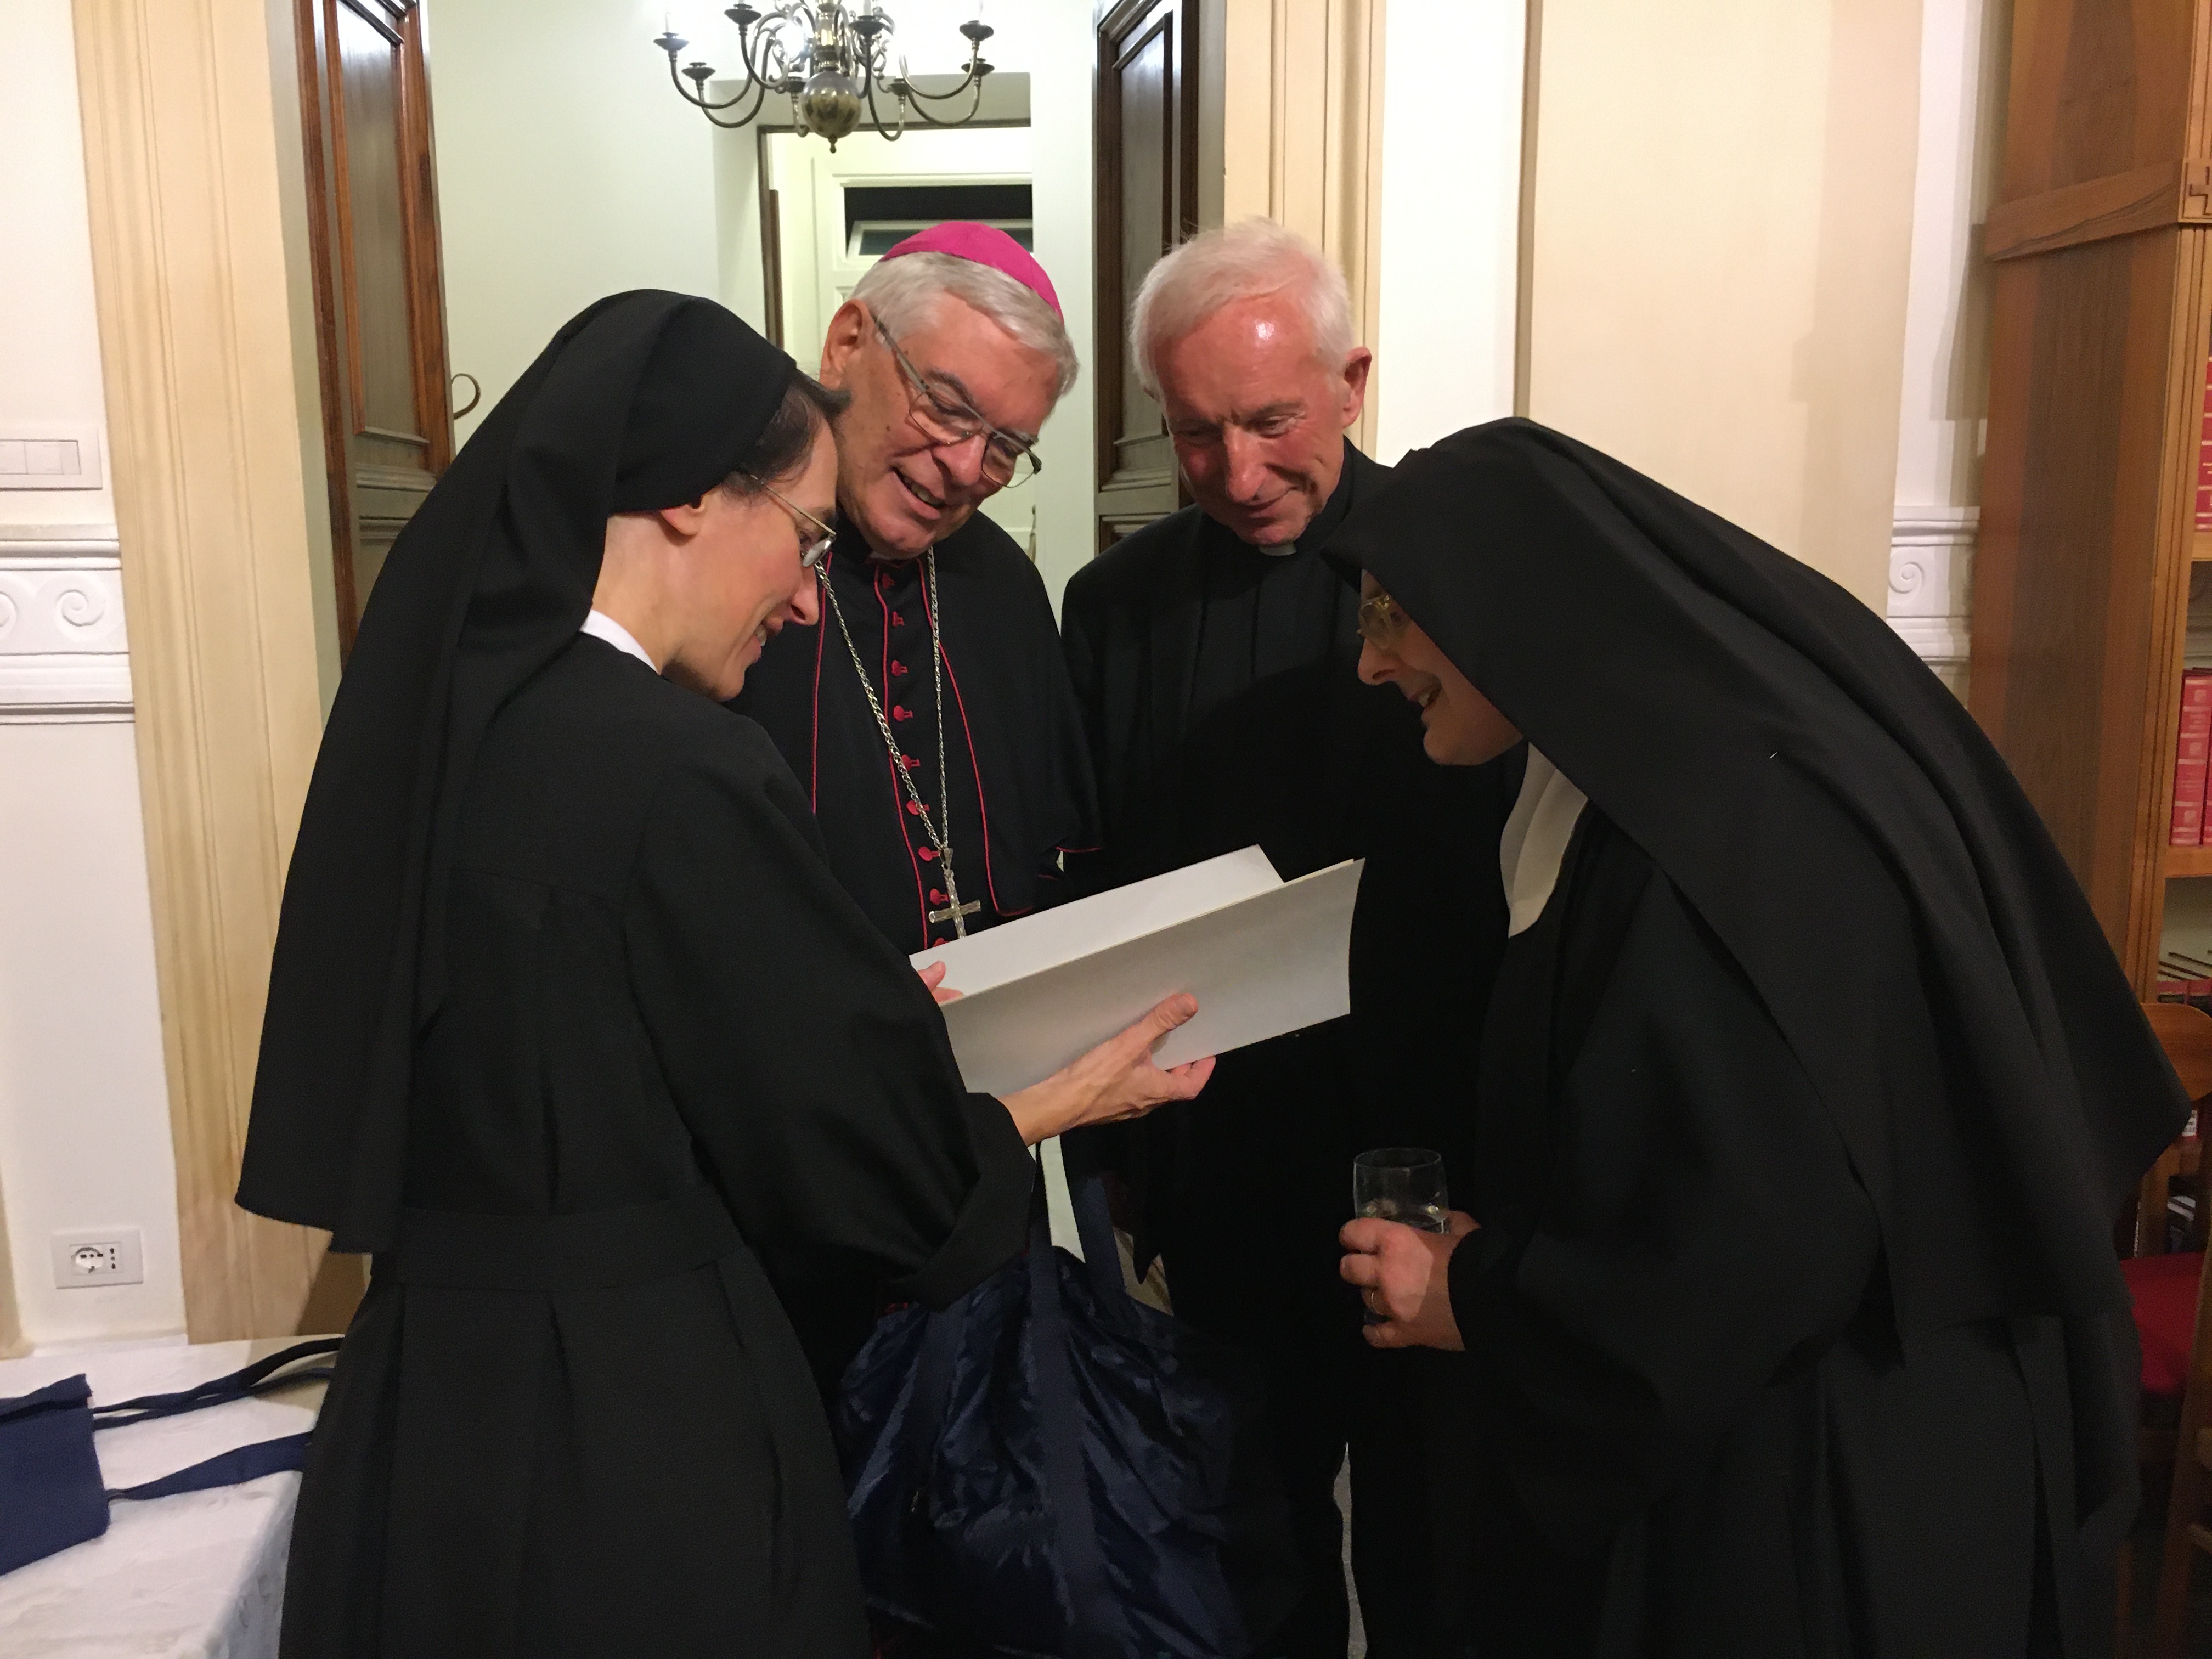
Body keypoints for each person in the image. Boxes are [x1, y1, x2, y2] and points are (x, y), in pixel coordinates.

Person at [235, 291, 1213, 1659]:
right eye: (803, 538)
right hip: (626, 1434)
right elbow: (875, 1177)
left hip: (427, 1410)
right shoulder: (678, 767)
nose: (810, 597)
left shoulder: (456, 718)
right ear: (694, 497)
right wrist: (1050, 1104)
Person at [1335, 417, 2185, 1657]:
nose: (1370, 664)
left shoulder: (1723, 838)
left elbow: (1744, 1245)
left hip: (1822, 1489)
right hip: (1829, 1422)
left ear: (1510, 598)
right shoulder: (1682, 764)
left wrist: (1478, 1297)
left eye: (1392, 616)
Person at [1059, 219, 1513, 1657]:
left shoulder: (1470, 567)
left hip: (1441, 1149)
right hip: (1225, 1157)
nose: (1239, 473)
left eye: (1271, 423)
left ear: (1352, 382)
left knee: (1445, 1538)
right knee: (1251, 1541)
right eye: (1197, 434)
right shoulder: (1114, 608)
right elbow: (1102, 872)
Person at [735, 223, 1095, 958]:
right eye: (947, 407)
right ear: (847, 343)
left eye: (1006, 448)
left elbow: (1051, 855)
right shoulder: (728, 548)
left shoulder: (1004, 585)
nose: (966, 468)